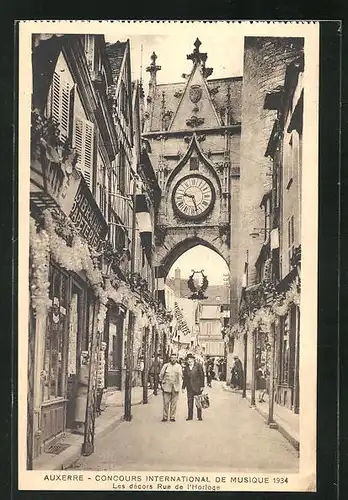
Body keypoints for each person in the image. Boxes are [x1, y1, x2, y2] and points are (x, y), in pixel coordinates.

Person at [159, 352, 182, 422]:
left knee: (174, 403)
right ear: (170, 358)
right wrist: (162, 384)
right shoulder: (166, 366)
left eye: (174, 358)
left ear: (176, 359)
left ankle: (172, 416)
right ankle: (165, 416)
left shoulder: (179, 366)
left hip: (175, 387)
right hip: (167, 387)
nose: (173, 359)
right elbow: (161, 375)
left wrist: (180, 384)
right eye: (172, 358)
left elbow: (181, 376)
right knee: (166, 403)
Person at [182, 353, 205, 421]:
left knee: (198, 402)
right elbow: (185, 378)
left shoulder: (198, 366)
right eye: (188, 359)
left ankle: (199, 416)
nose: (189, 361)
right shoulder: (186, 368)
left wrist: (202, 386)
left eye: (191, 359)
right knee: (189, 402)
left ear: (193, 359)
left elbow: (202, 376)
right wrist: (183, 387)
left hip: (197, 387)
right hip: (189, 388)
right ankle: (190, 416)